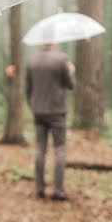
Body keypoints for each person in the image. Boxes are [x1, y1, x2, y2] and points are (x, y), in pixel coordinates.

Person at [26, 43, 75, 201]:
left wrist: (33, 105)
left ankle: (40, 188)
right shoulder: (62, 60)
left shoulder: (32, 61)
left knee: (40, 149)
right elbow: (70, 85)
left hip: (38, 111)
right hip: (57, 111)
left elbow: (28, 89)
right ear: (53, 43)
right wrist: (71, 71)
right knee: (60, 149)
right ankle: (58, 191)